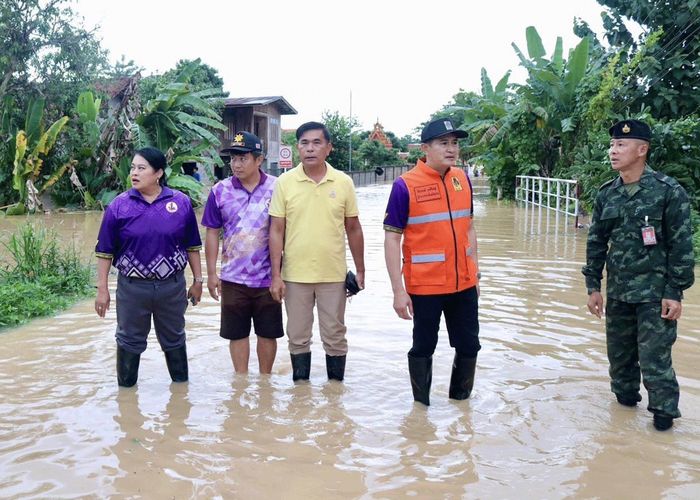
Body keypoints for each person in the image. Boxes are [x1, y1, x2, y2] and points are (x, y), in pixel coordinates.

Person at [582, 119, 695, 431]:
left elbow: (682, 247)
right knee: (620, 365)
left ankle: (663, 423)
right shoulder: (607, 194)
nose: (613, 151)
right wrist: (593, 286)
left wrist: (675, 291)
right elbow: (596, 241)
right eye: (612, 145)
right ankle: (623, 425)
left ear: (642, 150)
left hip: (655, 296)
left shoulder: (669, 192)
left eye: (621, 145)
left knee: (655, 362)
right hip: (618, 294)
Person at [383, 118, 481, 406]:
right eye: (443, 143)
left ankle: (461, 408)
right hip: (425, 286)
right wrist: (398, 291)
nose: (451, 149)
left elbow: (470, 228)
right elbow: (392, 240)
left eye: (455, 143)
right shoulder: (405, 186)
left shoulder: (462, 179)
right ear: (425, 147)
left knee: (469, 346)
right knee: (424, 347)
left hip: (463, 283)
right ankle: (420, 412)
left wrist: (475, 274)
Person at [94, 147, 203, 387]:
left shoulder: (180, 203)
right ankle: (126, 397)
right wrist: (102, 289)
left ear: (159, 173)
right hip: (132, 288)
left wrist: (198, 281)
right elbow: (104, 252)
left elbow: (192, 246)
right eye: (133, 168)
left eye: (141, 168)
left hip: (172, 286)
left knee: (174, 338)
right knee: (128, 340)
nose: (134, 173)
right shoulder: (119, 206)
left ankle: (181, 396)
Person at [269, 121, 365, 382]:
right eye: (304, 143)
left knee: (335, 335)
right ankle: (301, 394)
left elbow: (353, 228)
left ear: (328, 148)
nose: (310, 148)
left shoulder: (343, 182)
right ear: (297, 147)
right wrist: (275, 276)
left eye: (316, 142)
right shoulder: (285, 183)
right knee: (298, 336)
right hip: (294, 275)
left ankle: (336, 393)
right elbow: (276, 230)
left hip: (333, 275)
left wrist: (361, 271)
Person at [201, 131, 283, 374]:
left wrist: (281, 275)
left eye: (243, 158)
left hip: (269, 277)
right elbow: (212, 233)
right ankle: (241, 382)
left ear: (259, 160)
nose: (236, 164)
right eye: (233, 158)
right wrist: (212, 274)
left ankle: (265, 383)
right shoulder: (219, 191)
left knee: (268, 333)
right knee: (236, 334)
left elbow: (285, 230)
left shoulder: (278, 188)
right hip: (232, 277)